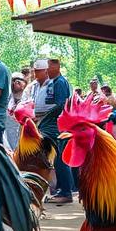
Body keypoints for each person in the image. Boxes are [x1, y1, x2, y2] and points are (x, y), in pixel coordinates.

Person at [36, 57, 73, 204]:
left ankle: (66, 192)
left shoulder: (61, 83)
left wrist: (45, 114)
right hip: (52, 126)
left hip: (57, 127)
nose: (46, 70)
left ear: (57, 67)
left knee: (60, 159)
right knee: (57, 159)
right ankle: (61, 190)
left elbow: (62, 104)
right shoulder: (55, 83)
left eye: (49, 67)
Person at [4, 72, 27, 150]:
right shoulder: (6, 98)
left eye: (18, 81)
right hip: (6, 138)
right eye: (13, 81)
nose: (15, 83)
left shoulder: (27, 99)